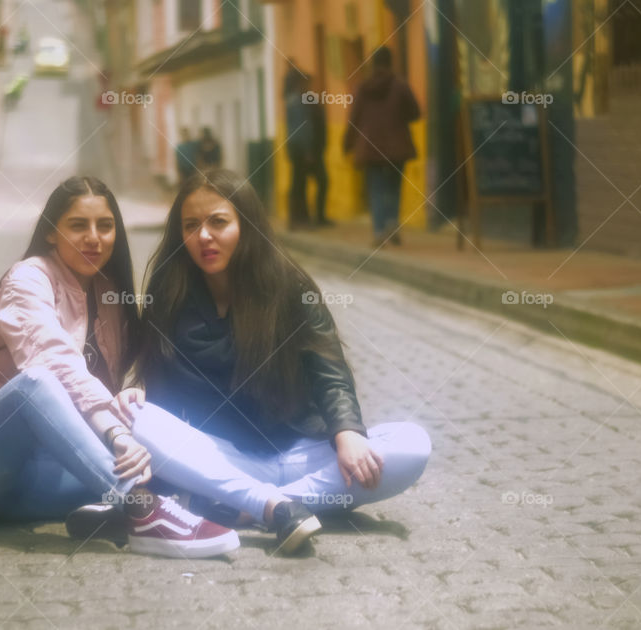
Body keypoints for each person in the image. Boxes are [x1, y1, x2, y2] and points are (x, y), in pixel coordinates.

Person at [0, 176, 240, 558]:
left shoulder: (111, 295)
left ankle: (228, 501)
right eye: (78, 225)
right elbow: (52, 360)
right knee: (37, 383)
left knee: (153, 462)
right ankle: (142, 511)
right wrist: (116, 432)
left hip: (32, 482)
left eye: (105, 226)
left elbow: (136, 369)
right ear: (50, 233)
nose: (94, 238)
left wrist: (134, 389)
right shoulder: (28, 278)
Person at [127, 168, 431, 551]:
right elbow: (163, 397)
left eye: (218, 222)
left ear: (246, 225)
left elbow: (329, 369)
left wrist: (347, 431)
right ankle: (275, 505)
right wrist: (137, 394)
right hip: (227, 458)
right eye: (191, 225)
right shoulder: (169, 295)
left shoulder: (289, 286)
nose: (203, 236)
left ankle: (252, 504)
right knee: (131, 419)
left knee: (412, 443)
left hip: (305, 452)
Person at [342, 47, 420, 247]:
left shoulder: (362, 88)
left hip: (370, 148)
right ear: (390, 62)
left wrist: (347, 144)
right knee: (394, 187)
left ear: (373, 64)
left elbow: (354, 119)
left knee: (375, 188)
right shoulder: (400, 86)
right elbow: (415, 112)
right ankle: (392, 224)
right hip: (397, 146)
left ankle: (378, 231)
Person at [284, 68, 330, 230]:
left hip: (297, 148)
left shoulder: (293, 100)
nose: (309, 86)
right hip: (302, 149)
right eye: (307, 83)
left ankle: (302, 219)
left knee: (299, 184)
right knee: (301, 184)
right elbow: (304, 128)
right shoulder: (299, 101)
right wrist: (308, 150)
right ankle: (302, 220)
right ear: (300, 83)